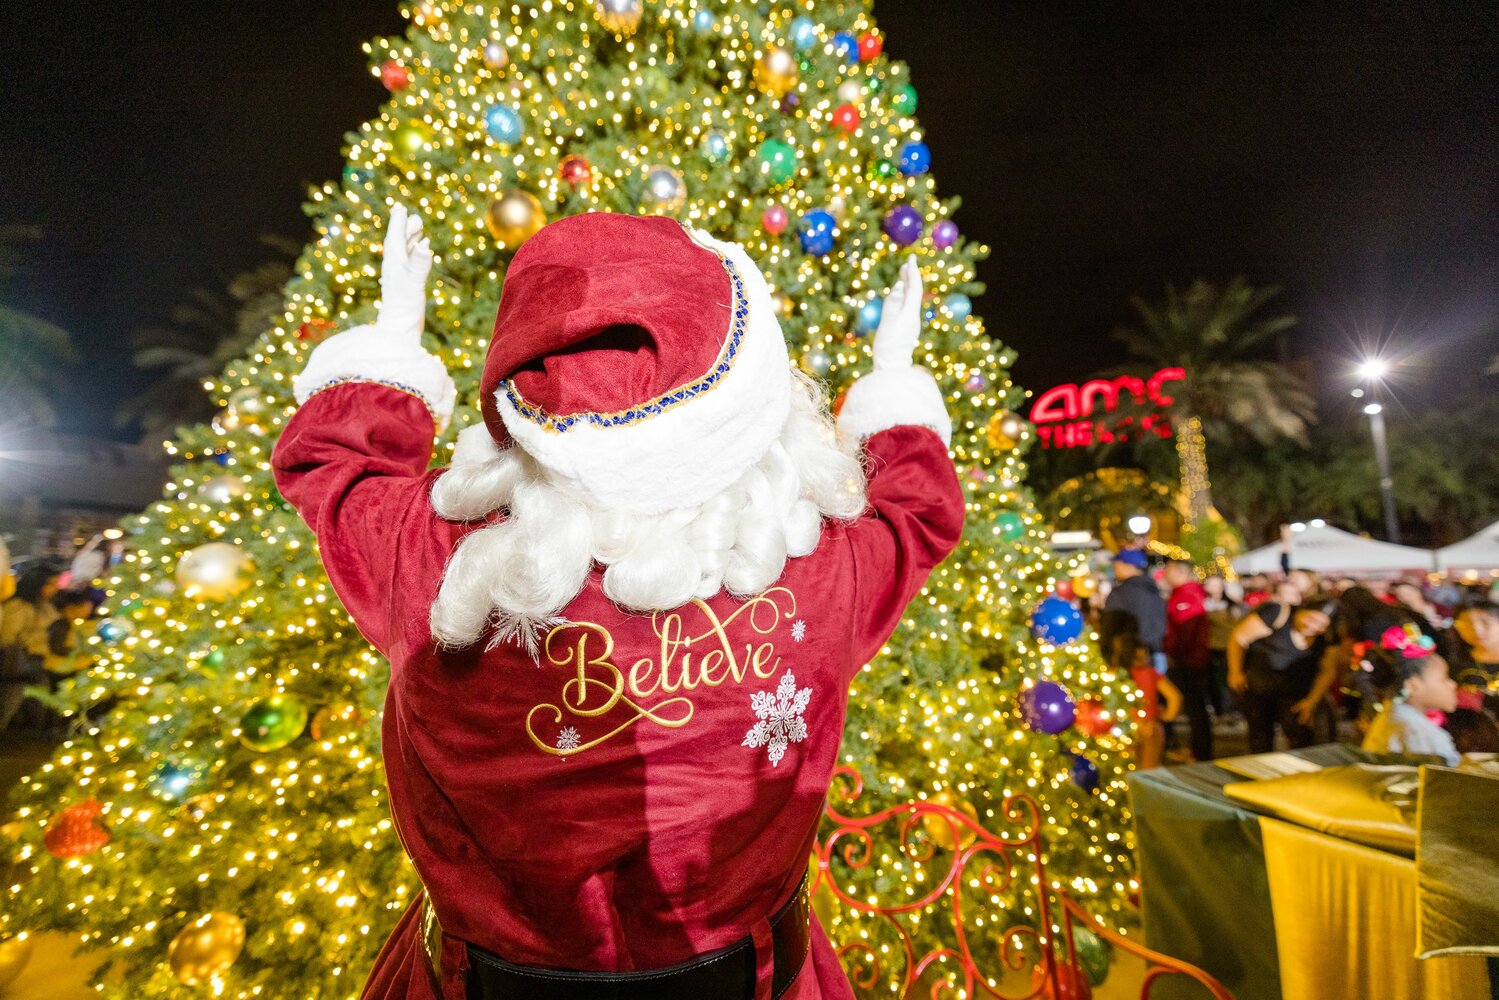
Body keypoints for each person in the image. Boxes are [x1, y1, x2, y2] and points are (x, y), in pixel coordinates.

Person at [271, 207, 965, 1000]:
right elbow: (918, 512)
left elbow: (333, 469)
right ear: (753, 398)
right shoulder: (827, 567)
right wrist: (896, 392)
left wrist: (386, 352)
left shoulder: (423, 553)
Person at [1228, 604, 1338, 753]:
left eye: (1321, 624)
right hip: (1258, 689)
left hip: (1296, 695)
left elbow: (1328, 670)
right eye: (1310, 619)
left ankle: (1300, 774)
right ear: (1300, 611)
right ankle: (1263, 774)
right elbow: (1239, 637)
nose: (1313, 626)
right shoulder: (1277, 614)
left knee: (1301, 737)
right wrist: (1235, 672)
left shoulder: (1327, 638)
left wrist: (1312, 700)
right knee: (1260, 737)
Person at [1360, 626, 1461, 765]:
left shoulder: (1392, 717)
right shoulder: (1418, 734)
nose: (1453, 685)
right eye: (1444, 679)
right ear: (1413, 685)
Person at [0, 561, 64, 733]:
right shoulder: (17, 607)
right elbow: (7, 639)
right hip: (20, 666)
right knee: (13, 699)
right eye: (51, 584)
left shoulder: (45, 606)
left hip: (37, 662)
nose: (55, 589)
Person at [1162, 559, 1213, 760]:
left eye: (1168, 569)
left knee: (1196, 709)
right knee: (1195, 708)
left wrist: (1175, 652)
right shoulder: (1183, 594)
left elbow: (1186, 631)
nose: (1165, 573)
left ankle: (1201, 752)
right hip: (1189, 658)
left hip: (1190, 660)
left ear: (1179, 571)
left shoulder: (1187, 595)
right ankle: (1198, 749)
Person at [1097, 549, 1166, 675]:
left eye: (1116, 565)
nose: (1114, 568)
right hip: (1155, 657)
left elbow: (1109, 627)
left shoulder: (1121, 594)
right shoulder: (1154, 591)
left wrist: (1105, 656)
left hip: (1128, 660)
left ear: (1128, 566)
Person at [1202, 575, 1239, 717]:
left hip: (1226, 647)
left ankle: (1229, 709)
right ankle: (1219, 709)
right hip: (1210, 647)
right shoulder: (1203, 603)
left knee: (1225, 679)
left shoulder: (1230, 606)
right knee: (1212, 680)